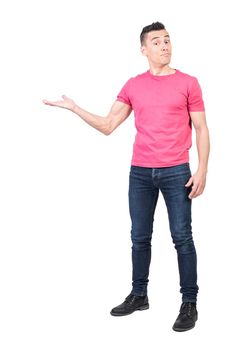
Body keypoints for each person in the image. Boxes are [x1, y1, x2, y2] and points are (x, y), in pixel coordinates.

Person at [42, 21, 210, 332]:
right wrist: (74, 107)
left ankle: (189, 303)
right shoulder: (134, 85)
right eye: (157, 42)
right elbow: (108, 125)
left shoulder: (189, 82)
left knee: (182, 237)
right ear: (144, 49)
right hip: (141, 173)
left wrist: (202, 169)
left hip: (176, 171)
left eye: (168, 40)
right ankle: (139, 295)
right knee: (139, 237)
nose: (165, 46)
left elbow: (201, 128)